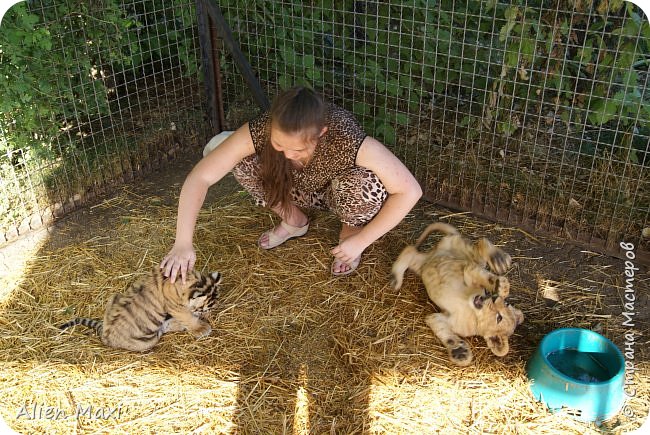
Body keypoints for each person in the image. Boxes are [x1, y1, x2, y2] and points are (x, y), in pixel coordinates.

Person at [160, 86, 422, 282]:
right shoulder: (263, 127)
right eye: (278, 144)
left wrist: (363, 240)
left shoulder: (347, 138)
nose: (286, 154)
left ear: (321, 134)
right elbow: (200, 176)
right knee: (229, 152)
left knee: (364, 181)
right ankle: (294, 221)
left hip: (337, 192)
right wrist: (183, 242)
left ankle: (349, 235)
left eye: (297, 149)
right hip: (291, 186)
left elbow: (409, 190)